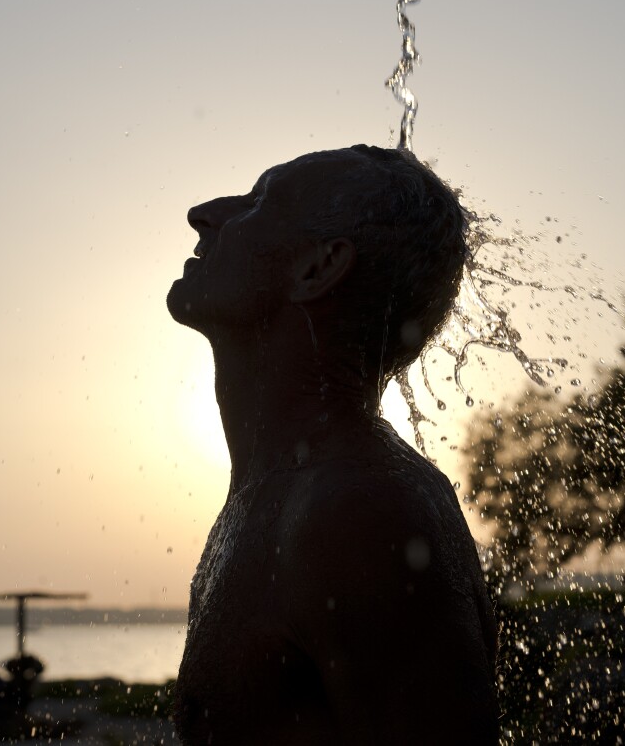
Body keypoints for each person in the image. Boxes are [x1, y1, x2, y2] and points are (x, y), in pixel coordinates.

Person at [166, 145, 499, 744]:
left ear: (317, 269)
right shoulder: (283, 492)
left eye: (260, 202)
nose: (205, 212)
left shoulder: (360, 514)